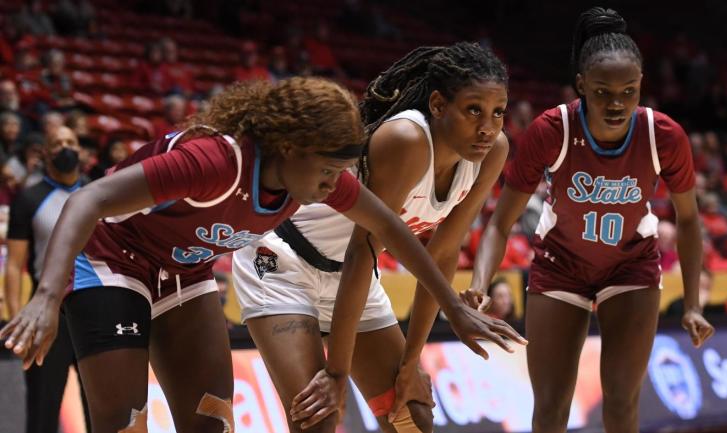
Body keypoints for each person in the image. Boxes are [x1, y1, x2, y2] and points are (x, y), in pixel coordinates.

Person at [0, 77, 517, 433]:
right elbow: (87, 198)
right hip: (114, 260)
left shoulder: (310, 178)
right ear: (290, 149)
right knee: (124, 423)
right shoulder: (212, 161)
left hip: (184, 270)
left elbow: (389, 227)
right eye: (328, 173)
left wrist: (453, 307)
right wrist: (47, 296)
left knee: (211, 420)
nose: (334, 186)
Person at [232, 42, 526, 433]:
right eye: (474, 110)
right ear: (438, 105)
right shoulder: (406, 139)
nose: (488, 127)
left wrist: (410, 364)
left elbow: (442, 254)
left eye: (498, 112)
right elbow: (361, 250)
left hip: (354, 275)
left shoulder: (492, 151)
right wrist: (336, 373)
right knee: (316, 418)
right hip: (282, 262)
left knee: (412, 416)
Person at [467, 8, 714, 432]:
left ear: (641, 87)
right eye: (602, 92)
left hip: (630, 266)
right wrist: (478, 284)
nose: (616, 104)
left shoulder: (664, 135)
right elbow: (498, 223)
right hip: (560, 265)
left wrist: (692, 303)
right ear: (581, 86)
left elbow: (689, 221)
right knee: (550, 407)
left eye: (628, 92)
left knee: (620, 402)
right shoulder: (551, 130)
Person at [4, 125, 91, 433]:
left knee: (102, 408)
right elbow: (14, 266)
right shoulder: (29, 198)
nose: (65, 148)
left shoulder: (99, 194)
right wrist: (18, 320)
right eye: (57, 143)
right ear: (45, 152)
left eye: (71, 141)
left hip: (94, 308)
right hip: (47, 311)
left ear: (80, 150)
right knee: (42, 410)